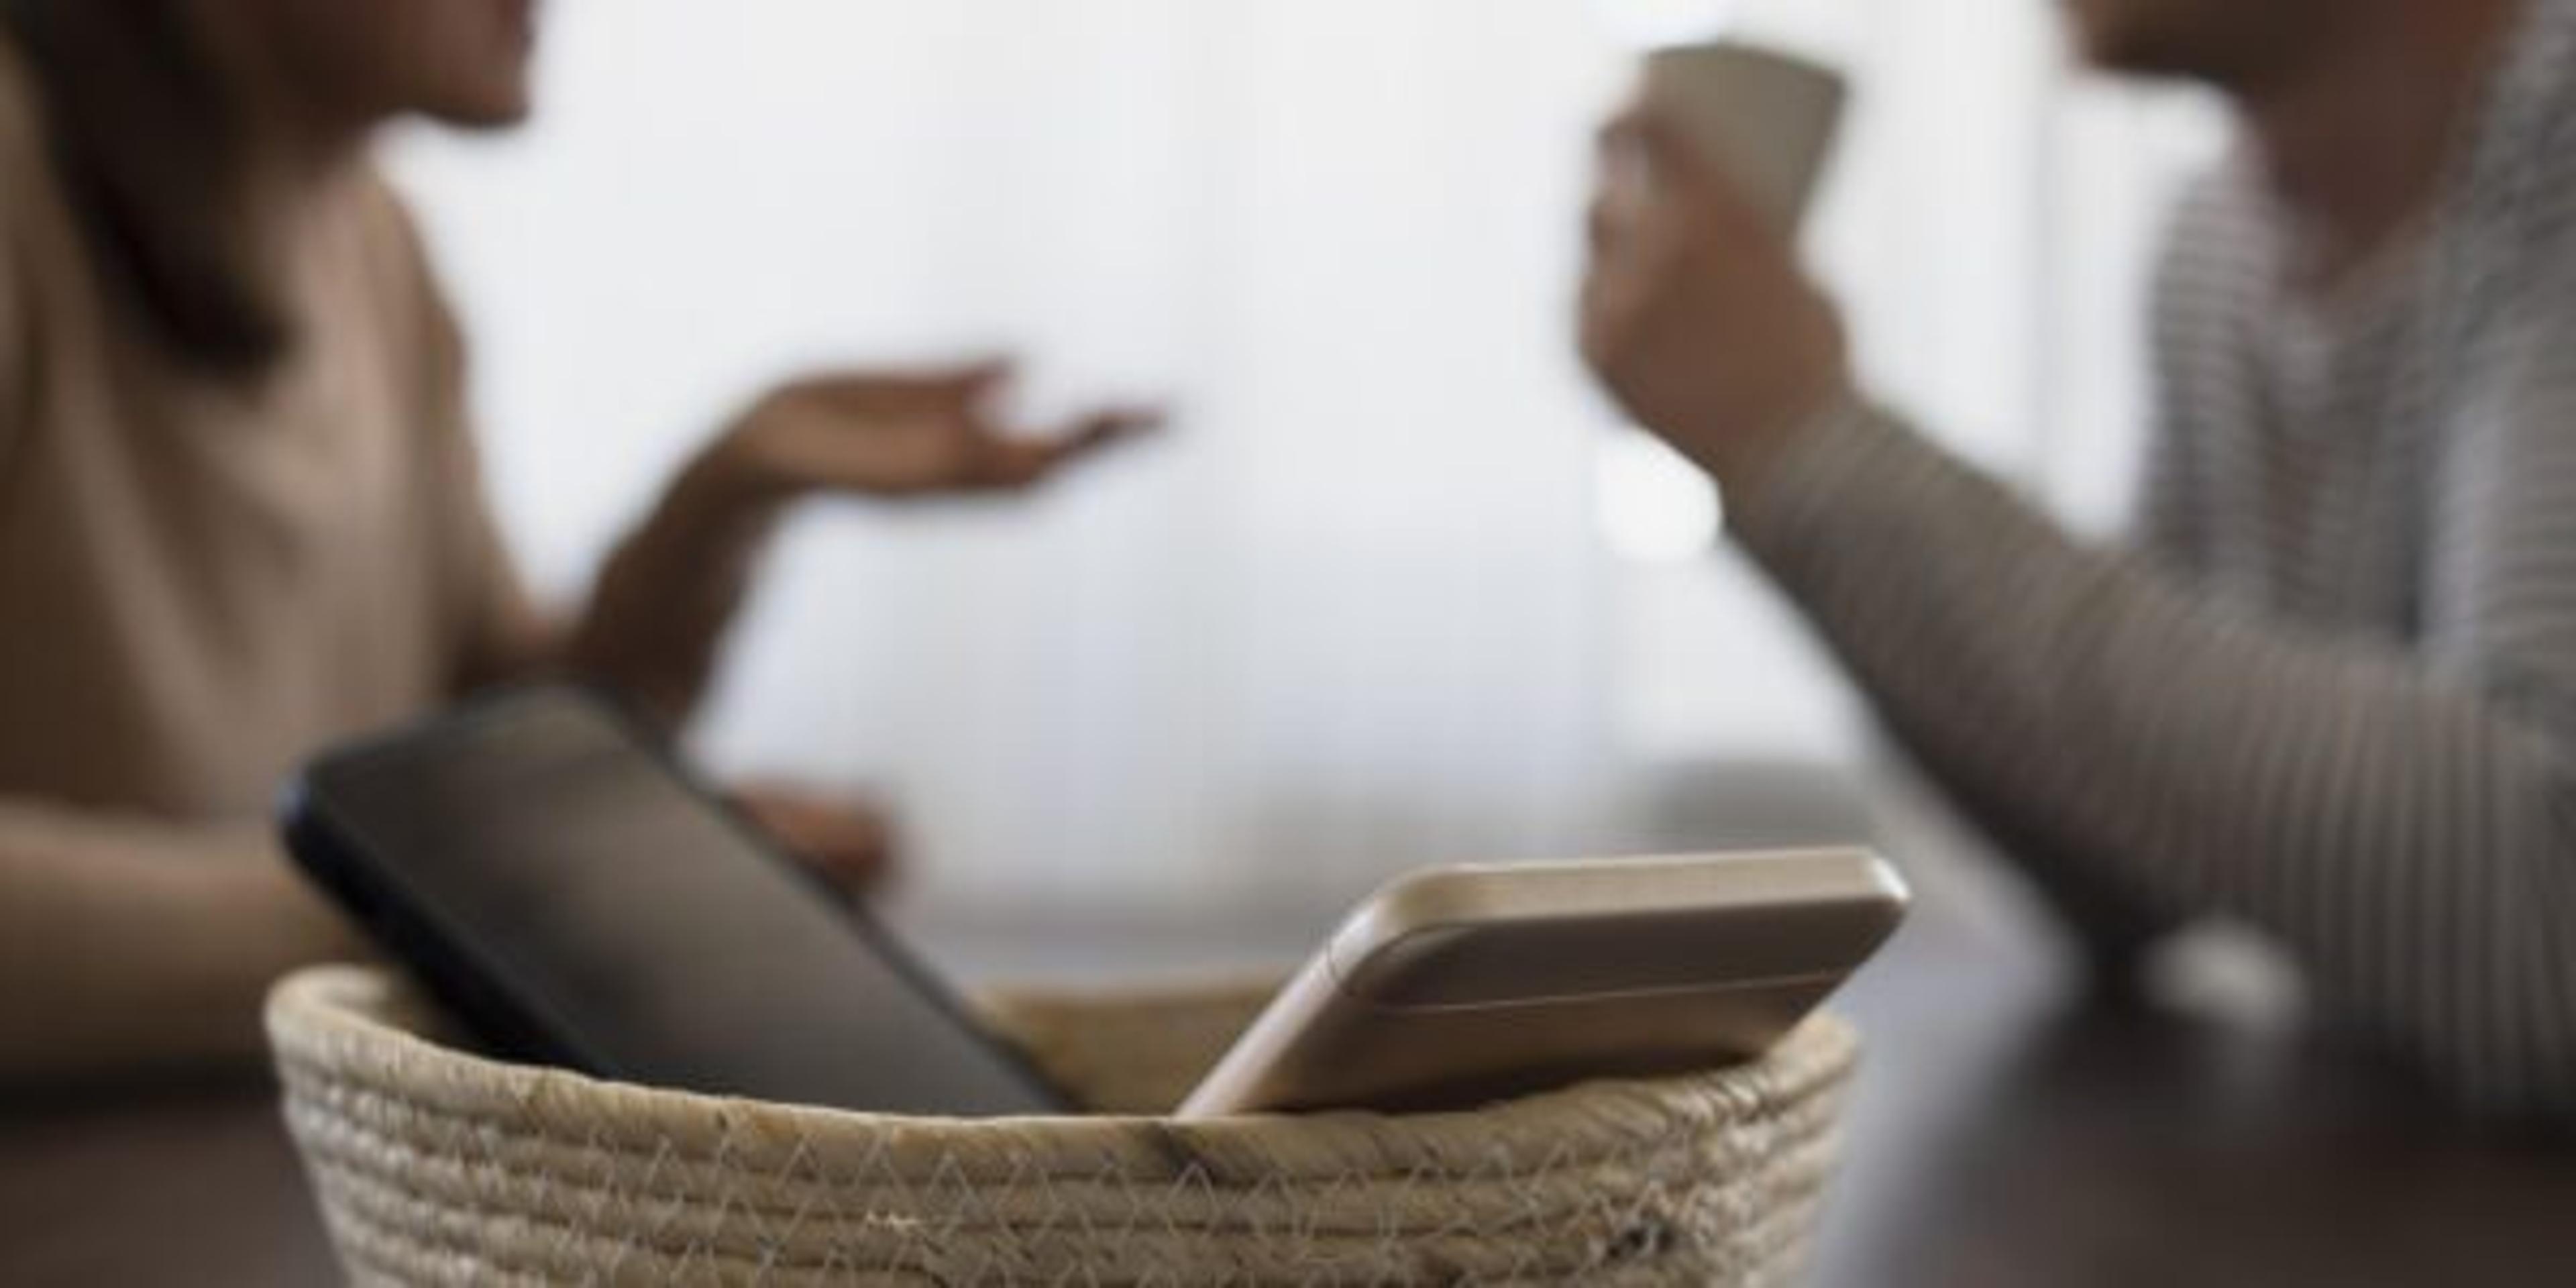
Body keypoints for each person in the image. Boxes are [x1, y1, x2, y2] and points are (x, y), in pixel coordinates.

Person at [0, 0, 1153, 1083]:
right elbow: (457, 848)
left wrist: (721, 502)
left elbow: (485, 743)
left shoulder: (376, 249)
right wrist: (466, 908)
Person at [1582, 0, 2576, 1116]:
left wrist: (1813, 446)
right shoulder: (2217, 244)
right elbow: (2132, 869)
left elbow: (2546, 903)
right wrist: (1771, 468)